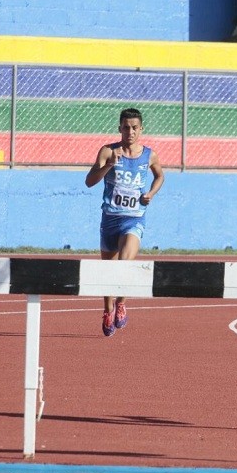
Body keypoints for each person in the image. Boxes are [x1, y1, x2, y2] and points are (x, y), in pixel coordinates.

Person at [85, 108, 164, 337]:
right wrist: (109, 165)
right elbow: (89, 181)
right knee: (109, 271)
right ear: (119, 128)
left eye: (135, 128)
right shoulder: (108, 151)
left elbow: (160, 176)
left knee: (125, 265)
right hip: (110, 219)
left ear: (141, 129)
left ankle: (121, 303)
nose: (130, 132)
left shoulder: (149, 155)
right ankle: (108, 308)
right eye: (126, 127)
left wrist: (151, 193)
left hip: (134, 219)